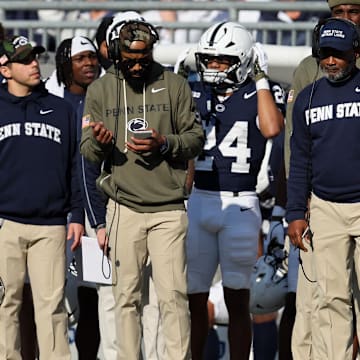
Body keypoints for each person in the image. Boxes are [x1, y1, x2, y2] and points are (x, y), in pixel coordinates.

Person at [80, 17, 204, 360]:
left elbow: (196, 140)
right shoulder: (101, 89)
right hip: (124, 207)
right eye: (129, 59)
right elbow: (88, 151)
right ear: (117, 53)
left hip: (168, 208)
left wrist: (165, 143)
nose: (136, 65)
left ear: (152, 52)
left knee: (174, 296)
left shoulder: (175, 84)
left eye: (143, 58)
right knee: (126, 297)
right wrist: (102, 144)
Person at [185, 21, 285, 360]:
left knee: (239, 299)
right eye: (209, 60)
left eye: (222, 61)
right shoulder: (192, 90)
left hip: (241, 203)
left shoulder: (261, 90)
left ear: (243, 60)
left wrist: (259, 80)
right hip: (199, 198)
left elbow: (272, 128)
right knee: (194, 298)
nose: (213, 67)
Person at [0, 35, 84, 360]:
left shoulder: (61, 109)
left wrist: (76, 215)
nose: (34, 64)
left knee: (52, 309)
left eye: (35, 57)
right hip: (5, 224)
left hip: (50, 226)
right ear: (5, 69)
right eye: (24, 60)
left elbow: (74, 167)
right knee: (5, 306)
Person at [284, 1, 360, 359]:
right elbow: (300, 160)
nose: (331, 61)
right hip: (326, 209)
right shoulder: (307, 99)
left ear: (354, 53)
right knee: (332, 298)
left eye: (338, 54)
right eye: (325, 54)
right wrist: (296, 212)